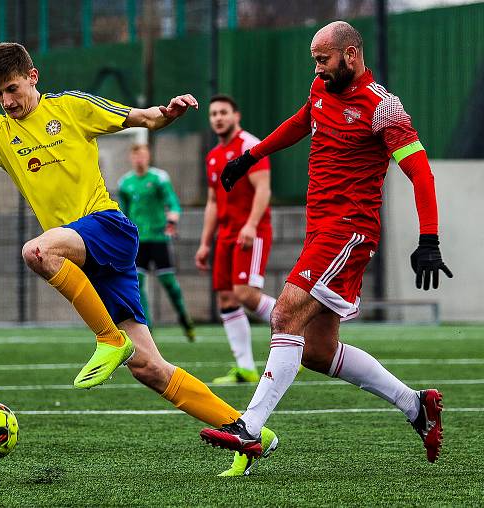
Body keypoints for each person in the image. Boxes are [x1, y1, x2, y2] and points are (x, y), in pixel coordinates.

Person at [0, 42, 277, 476]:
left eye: (12, 88)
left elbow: (144, 118)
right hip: (82, 256)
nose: (7, 100)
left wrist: (168, 112)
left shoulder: (72, 107)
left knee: (37, 250)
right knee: (148, 368)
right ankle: (248, 432)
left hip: (107, 228)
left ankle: (110, 340)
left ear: (33, 77)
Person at [200, 21, 452, 465]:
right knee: (317, 351)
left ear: (350, 55)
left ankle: (249, 428)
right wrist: (251, 157)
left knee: (284, 313)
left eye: (323, 60)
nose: (317, 69)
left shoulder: (384, 108)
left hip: (350, 230)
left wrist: (428, 237)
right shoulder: (321, 89)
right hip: (322, 230)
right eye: (314, 61)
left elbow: (420, 173)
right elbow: (302, 121)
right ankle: (417, 405)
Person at [196, 94, 277, 384]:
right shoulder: (213, 156)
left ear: (236, 116)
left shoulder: (249, 146)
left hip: (250, 231)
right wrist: (206, 242)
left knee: (245, 294)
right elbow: (213, 202)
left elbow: (263, 189)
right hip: (226, 234)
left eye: (223, 112)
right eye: (213, 113)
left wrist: (251, 225)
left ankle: (300, 330)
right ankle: (245, 368)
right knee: (227, 298)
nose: (218, 117)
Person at [117, 143, 196, 341]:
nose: (139, 159)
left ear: (148, 156)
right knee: (138, 284)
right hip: (138, 242)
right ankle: (148, 328)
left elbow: (172, 202)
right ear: (131, 158)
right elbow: (124, 213)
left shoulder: (159, 178)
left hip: (159, 238)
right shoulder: (125, 183)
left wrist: (172, 220)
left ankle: (185, 319)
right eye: (136, 156)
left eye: (142, 155)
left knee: (169, 283)